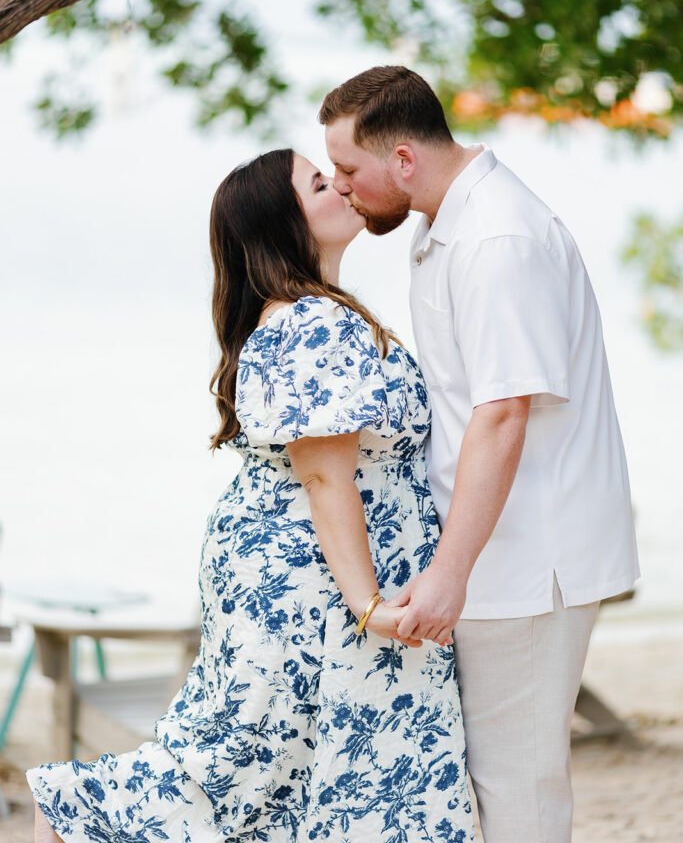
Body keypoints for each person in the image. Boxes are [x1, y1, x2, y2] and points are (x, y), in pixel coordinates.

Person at [27, 148, 474, 843]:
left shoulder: (311, 314)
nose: (344, 187)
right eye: (321, 183)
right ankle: (75, 808)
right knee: (247, 766)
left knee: (295, 770)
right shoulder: (312, 322)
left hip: (298, 572)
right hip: (314, 585)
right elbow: (327, 476)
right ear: (281, 223)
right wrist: (368, 605)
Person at [320, 66, 640, 843]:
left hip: (531, 561)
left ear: (401, 160)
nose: (341, 188)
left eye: (349, 170)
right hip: (493, 551)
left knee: (516, 789)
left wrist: (447, 573)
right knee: (481, 784)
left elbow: (502, 416)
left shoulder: (498, 238)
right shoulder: (440, 226)